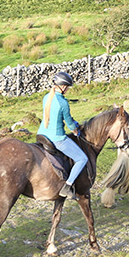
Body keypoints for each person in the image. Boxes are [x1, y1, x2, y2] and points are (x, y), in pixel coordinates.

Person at [38, 71, 87, 199]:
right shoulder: (63, 103)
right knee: (82, 159)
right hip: (57, 138)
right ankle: (67, 186)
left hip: (42, 133)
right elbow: (69, 123)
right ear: (63, 86)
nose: (68, 90)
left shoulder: (46, 97)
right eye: (68, 87)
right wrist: (75, 130)